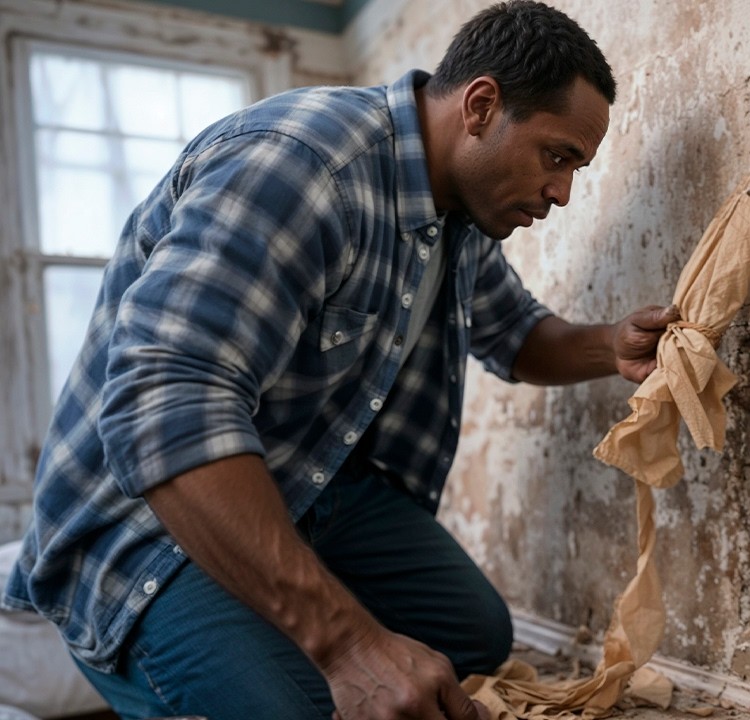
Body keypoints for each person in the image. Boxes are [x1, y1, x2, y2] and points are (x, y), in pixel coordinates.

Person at [2, 3, 675, 718]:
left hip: (307, 478)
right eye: (557, 156)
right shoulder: (300, 165)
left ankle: (277, 619)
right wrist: (346, 646)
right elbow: (165, 409)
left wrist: (611, 344)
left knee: (470, 636)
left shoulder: (460, 207)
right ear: (481, 106)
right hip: (143, 516)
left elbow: (515, 334)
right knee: (295, 704)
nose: (562, 193)